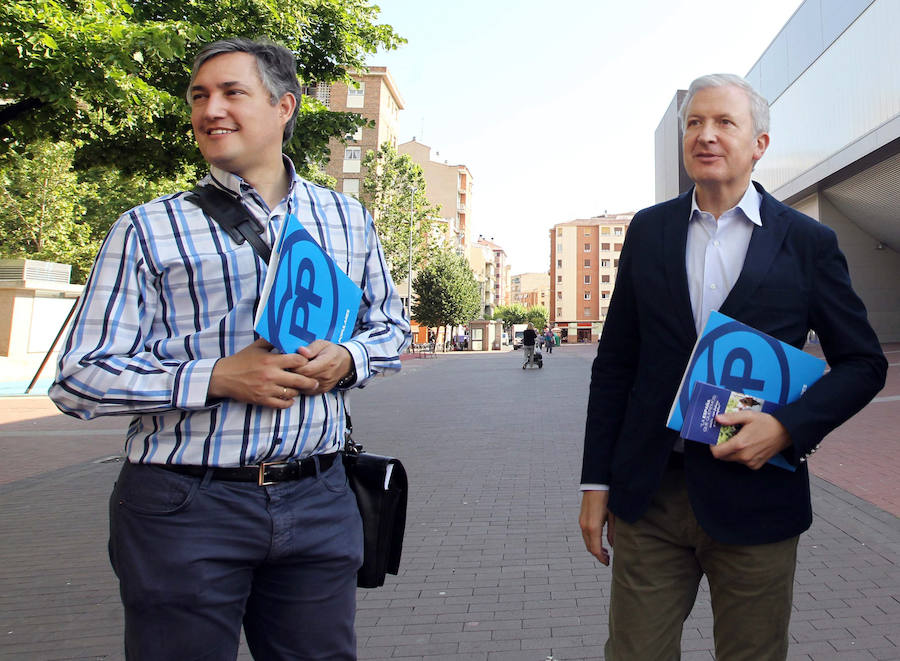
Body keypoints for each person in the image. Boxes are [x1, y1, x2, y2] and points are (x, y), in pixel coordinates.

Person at [49, 38, 409, 661]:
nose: (210, 109)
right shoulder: (147, 228)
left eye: (232, 93)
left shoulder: (348, 218)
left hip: (319, 496)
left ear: (284, 108)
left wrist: (350, 357)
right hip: (184, 504)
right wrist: (214, 377)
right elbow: (80, 378)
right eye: (199, 96)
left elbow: (391, 326)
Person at [578, 73, 887, 661]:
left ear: (759, 145)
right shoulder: (647, 231)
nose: (706, 135)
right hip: (651, 494)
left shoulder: (807, 242)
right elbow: (615, 365)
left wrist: (789, 427)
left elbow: (864, 363)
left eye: (725, 123)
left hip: (756, 495)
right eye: (694, 122)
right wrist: (596, 483)